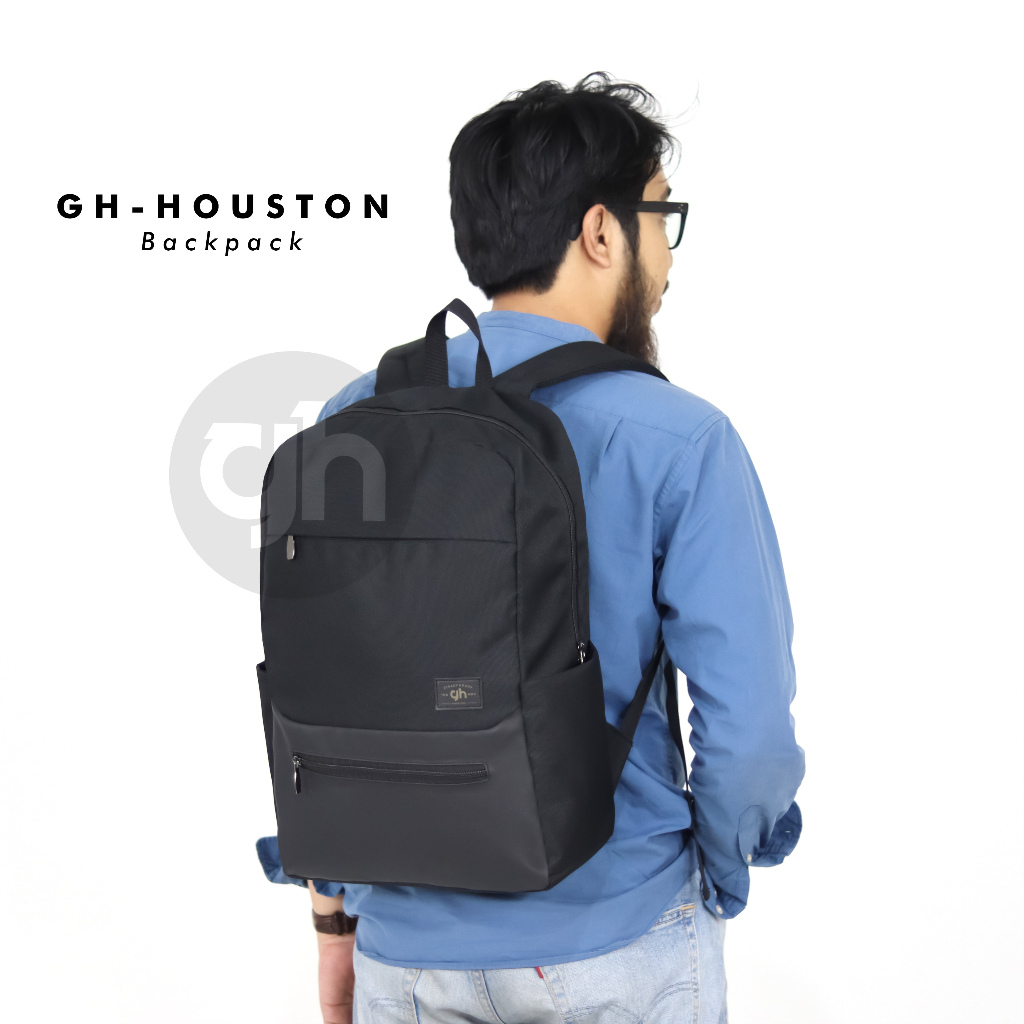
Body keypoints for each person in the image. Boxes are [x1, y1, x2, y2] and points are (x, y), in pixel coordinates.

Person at [256, 71, 805, 1024]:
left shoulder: (353, 420)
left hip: (404, 954)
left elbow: (332, 682)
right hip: (617, 932)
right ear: (601, 232)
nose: (666, 256)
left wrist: (334, 915)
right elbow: (749, 728)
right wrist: (717, 871)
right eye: (661, 218)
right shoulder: (679, 438)